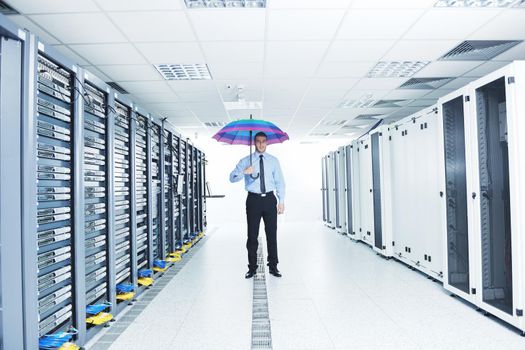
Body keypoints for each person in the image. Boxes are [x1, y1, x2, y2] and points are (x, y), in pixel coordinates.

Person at [229, 131, 285, 279]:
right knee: (252, 236)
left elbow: (280, 182)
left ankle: (273, 266)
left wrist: (281, 201)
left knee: (271, 234)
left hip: (269, 199)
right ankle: (252, 268)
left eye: (263, 141)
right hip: (253, 200)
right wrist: (244, 172)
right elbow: (232, 178)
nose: (261, 144)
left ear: (267, 143)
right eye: (258, 141)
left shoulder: (273, 161)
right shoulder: (246, 160)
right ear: (254, 143)